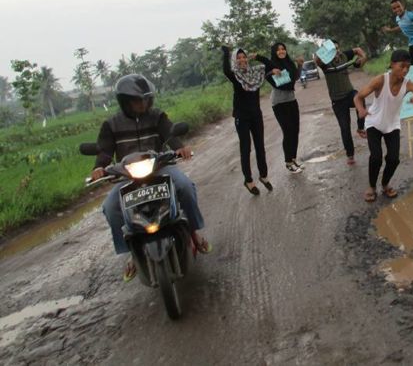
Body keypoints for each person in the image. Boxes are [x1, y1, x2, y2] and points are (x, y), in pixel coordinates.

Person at [91, 74, 210, 282]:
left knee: (185, 186)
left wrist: (181, 148)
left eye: (146, 99)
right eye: (137, 100)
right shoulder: (111, 124)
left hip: (159, 168)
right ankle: (129, 252)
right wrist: (99, 167)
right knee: (110, 207)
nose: (142, 103)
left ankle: (193, 232)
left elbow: (170, 135)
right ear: (125, 102)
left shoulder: (157, 116)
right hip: (127, 176)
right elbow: (105, 152)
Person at [354, 50, 413, 202]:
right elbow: (358, 97)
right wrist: (361, 110)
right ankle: (371, 187)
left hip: (392, 125)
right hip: (374, 123)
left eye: (408, 67)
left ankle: (385, 184)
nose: (405, 70)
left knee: (393, 159)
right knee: (376, 157)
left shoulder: (408, 84)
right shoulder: (380, 80)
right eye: (402, 66)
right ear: (392, 64)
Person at [221, 45, 271, 196]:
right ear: (235, 60)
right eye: (239, 58)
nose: (242, 60)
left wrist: (259, 57)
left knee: (260, 146)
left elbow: (269, 65)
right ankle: (248, 180)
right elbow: (226, 70)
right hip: (241, 117)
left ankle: (263, 176)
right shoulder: (235, 75)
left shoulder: (255, 73)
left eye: (244, 57)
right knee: (246, 148)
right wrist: (226, 53)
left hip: (256, 114)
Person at [315, 41, 368, 166]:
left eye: (337, 48)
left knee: (359, 97)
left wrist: (363, 57)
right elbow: (317, 60)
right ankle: (350, 155)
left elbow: (357, 50)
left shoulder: (344, 56)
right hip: (337, 100)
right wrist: (323, 50)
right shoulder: (325, 63)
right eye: (332, 49)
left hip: (350, 93)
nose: (336, 51)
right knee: (345, 128)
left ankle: (361, 128)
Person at [257, 42, 303, 173]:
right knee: (287, 131)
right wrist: (272, 71)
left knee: (295, 130)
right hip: (278, 102)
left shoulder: (289, 63)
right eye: (278, 50)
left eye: (283, 49)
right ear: (274, 52)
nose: (281, 51)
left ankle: (293, 159)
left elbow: (295, 77)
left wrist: (299, 65)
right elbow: (266, 77)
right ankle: (288, 162)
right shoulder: (271, 64)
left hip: (291, 99)